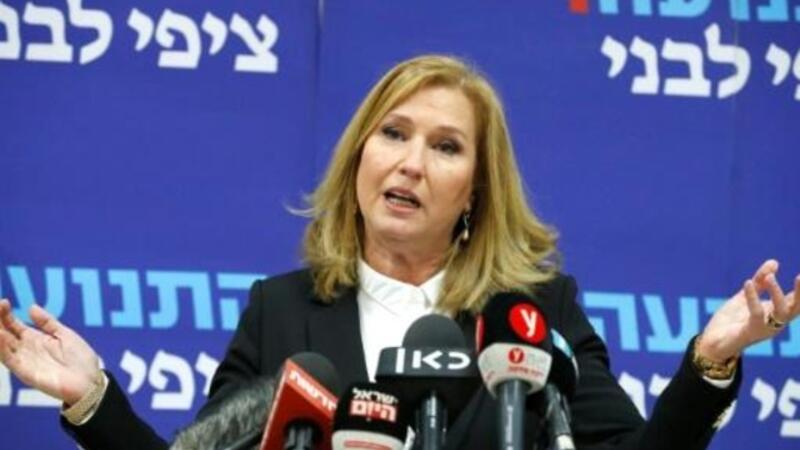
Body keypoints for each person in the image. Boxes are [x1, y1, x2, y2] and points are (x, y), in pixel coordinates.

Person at [0, 55, 798, 450]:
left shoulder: (530, 315)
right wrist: (94, 400)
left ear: (475, 190)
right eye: (393, 134)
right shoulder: (283, 311)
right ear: (360, 158)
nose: (411, 163)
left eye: (445, 147)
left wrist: (709, 364)